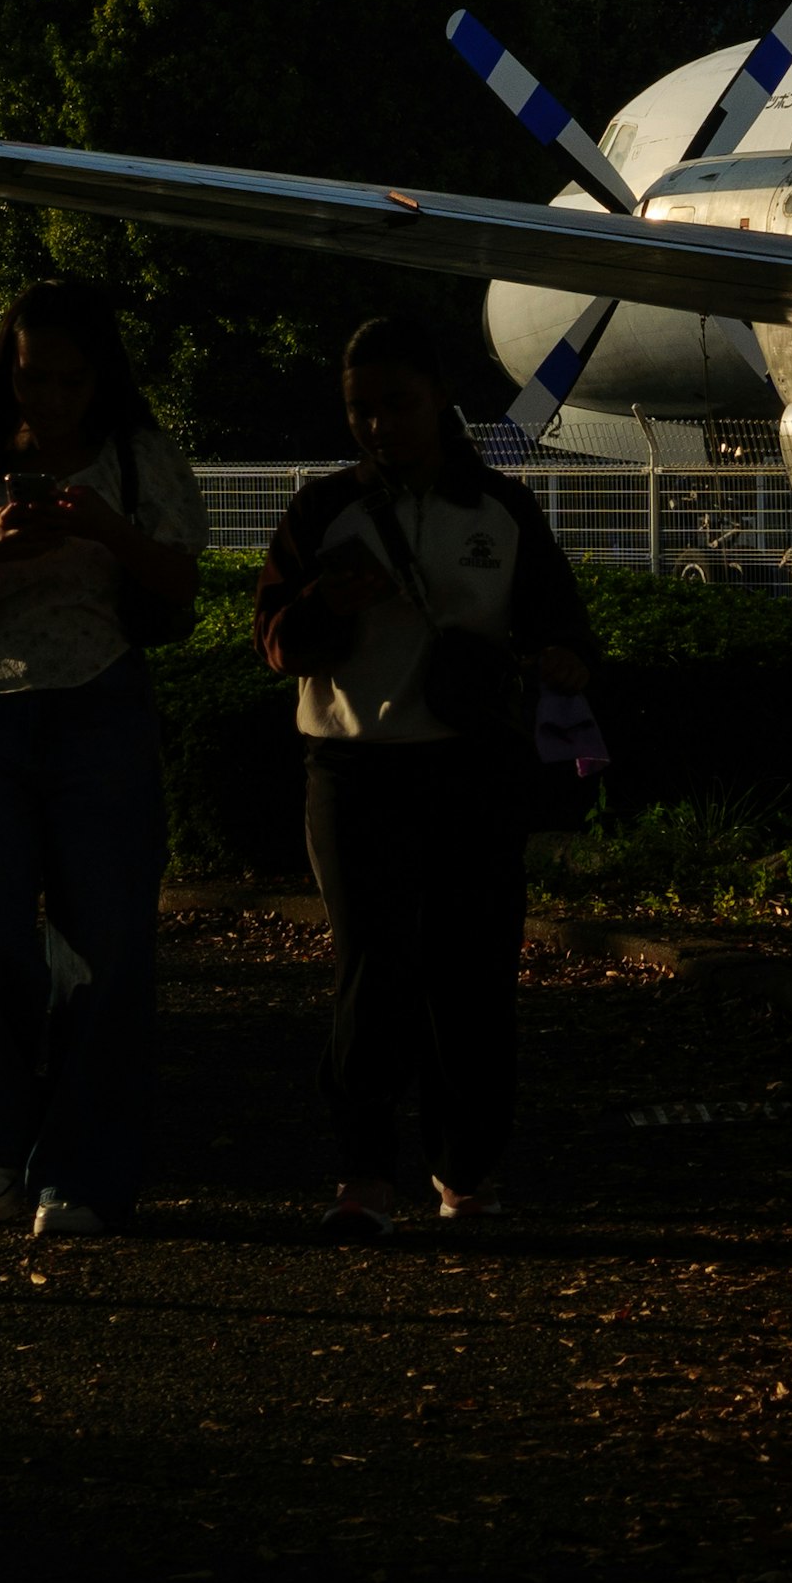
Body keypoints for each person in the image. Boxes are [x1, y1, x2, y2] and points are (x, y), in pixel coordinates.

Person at [254, 315, 596, 1240]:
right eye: (359, 410)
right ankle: (364, 1176)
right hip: (353, 765)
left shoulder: (504, 510)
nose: (375, 426)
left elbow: (560, 622)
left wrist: (563, 660)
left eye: (394, 405)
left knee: (473, 972)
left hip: (471, 765)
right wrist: (326, 602)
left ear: (439, 402)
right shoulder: (323, 513)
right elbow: (275, 644)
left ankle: (464, 1177)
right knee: (371, 969)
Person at [0, 279, 204, 1240]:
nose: (51, 400)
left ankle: (82, 1172)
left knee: (104, 952)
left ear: (100, 376)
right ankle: (1, 1143)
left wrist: (102, 527)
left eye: (69, 380)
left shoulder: (143, 463)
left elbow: (181, 595)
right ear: (8, 374)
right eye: (33, 379)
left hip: (102, 704)